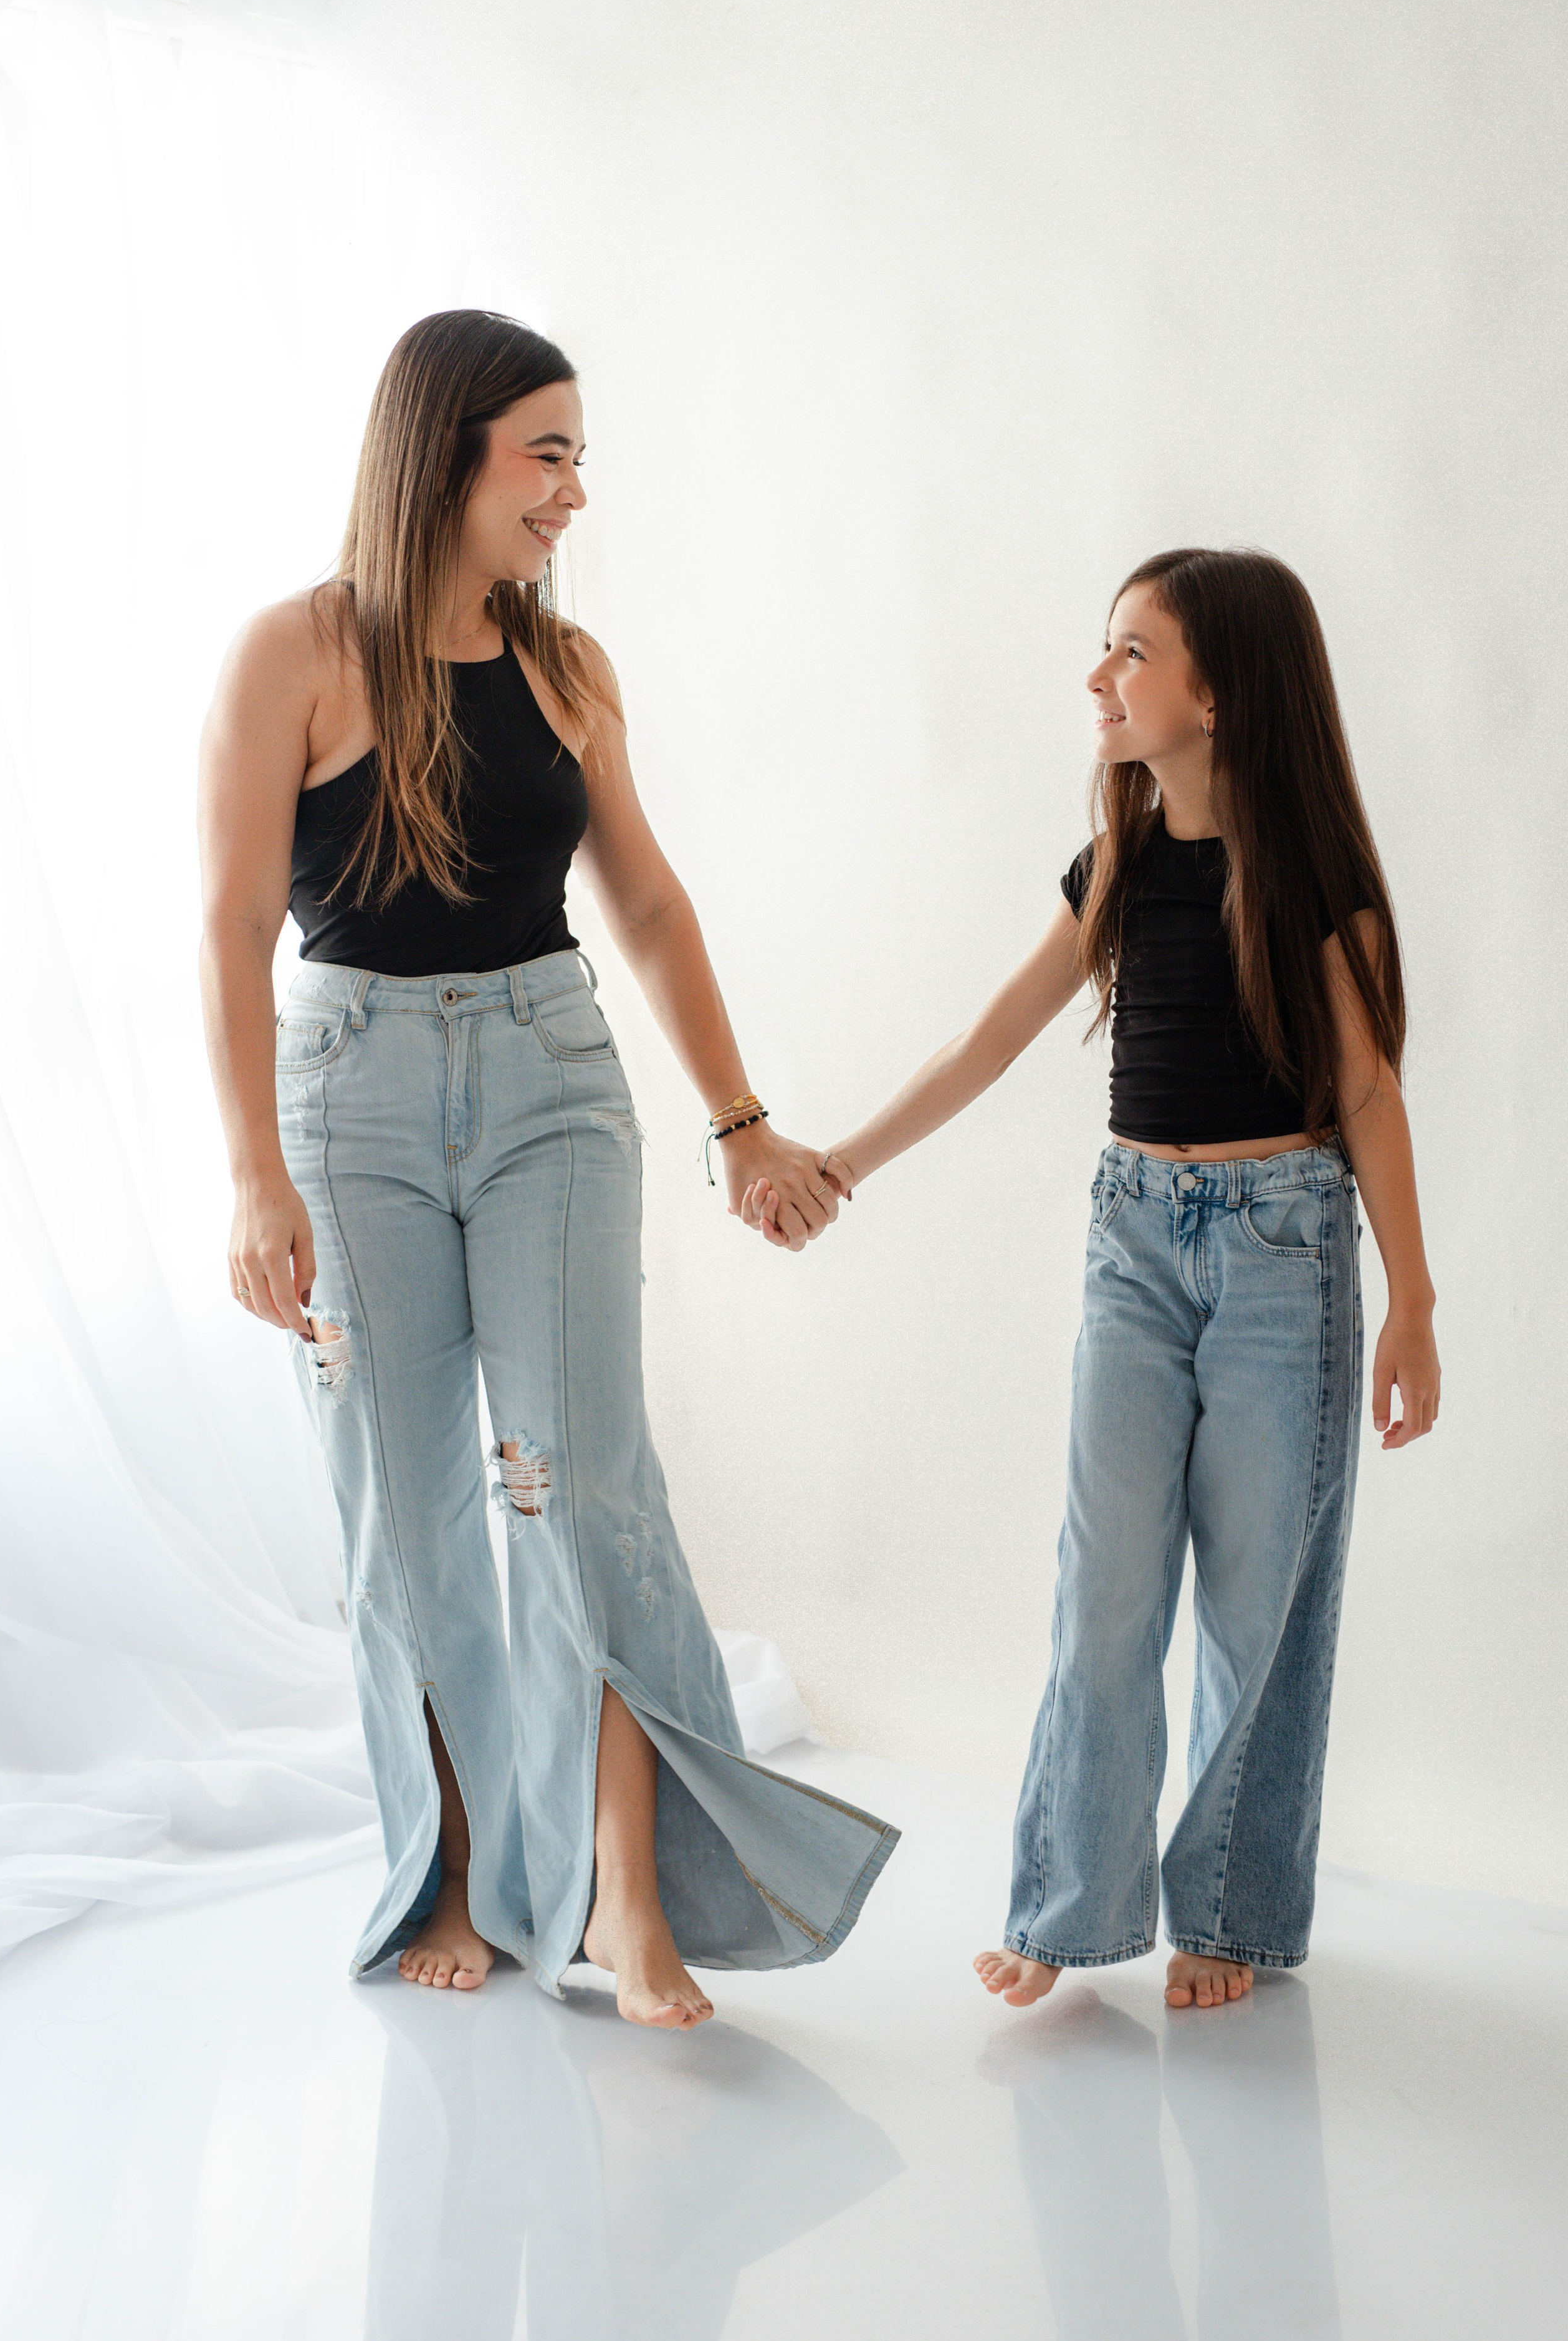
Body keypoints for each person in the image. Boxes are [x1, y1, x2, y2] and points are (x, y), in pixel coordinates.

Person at [198, 309, 896, 2028]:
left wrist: (742, 1123)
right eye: (551, 453)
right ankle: (443, 1873)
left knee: (577, 1485)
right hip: (347, 1098)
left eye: (580, 454)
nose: (577, 490)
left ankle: (623, 1897)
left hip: (548, 1081)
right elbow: (226, 930)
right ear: (449, 453)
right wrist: (250, 1178)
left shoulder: (568, 673)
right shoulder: (293, 653)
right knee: (403, 1517)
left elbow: (646, 905)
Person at [756, 547, 1438, 2011]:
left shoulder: (1315, 876)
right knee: (1103, 1588)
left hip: (1284, 1252)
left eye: (1130, 653)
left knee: (1260, 1604)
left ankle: (1232, 1916)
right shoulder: (1119, 865)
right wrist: (842, 1162)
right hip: (1132, 1242)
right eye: (1105, 648)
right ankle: (1071, 1905)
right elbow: (988, 1040)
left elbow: (1370, 1096)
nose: (1098, 678)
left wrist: (1414, 1306)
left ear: (1219, 692)